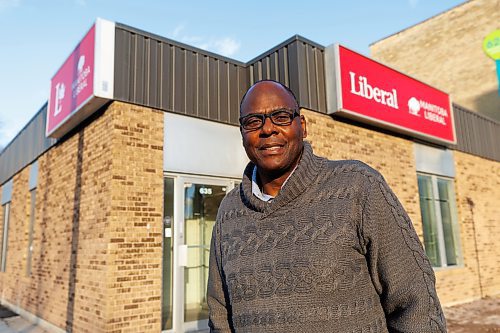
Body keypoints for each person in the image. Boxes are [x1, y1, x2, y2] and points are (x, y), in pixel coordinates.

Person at [207, 80, 447, 332]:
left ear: (303, 125)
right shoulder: (229, 211)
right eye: (253, 121)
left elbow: (415, 300)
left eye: (280, 117)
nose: (268, 129)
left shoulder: (358, 186)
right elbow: (219, 314)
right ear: (243, 133)